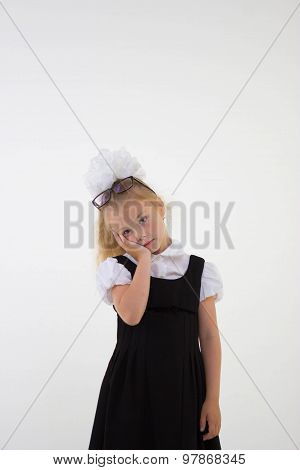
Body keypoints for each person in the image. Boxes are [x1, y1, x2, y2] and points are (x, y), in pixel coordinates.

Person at [83, 147, 224, 450]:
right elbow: (132, 315)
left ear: (159, 207)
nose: (139, 234)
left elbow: (210, 336)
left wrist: (212, 398)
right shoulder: (119, 271)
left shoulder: (199, 272)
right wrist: (143, 260)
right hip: (131, 392)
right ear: (116, 236)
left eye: (143, 220)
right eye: (126, 231)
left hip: (184, 389)